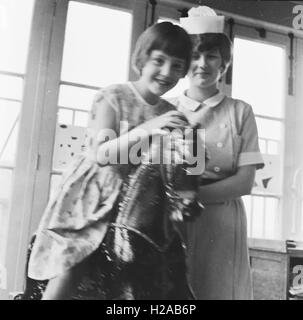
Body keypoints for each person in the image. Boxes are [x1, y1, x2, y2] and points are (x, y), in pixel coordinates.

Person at [21, 21, 198, 300]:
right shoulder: (114, 97)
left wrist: (187, 183)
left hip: (137, 203)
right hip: (94, 197)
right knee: (71, 262)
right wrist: (147, 129)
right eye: (159, 61)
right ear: (142, 59)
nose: (167, 72)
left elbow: (181, 164)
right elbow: (100, 154)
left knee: (165, 267)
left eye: (177, 66)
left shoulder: (171, 113)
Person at [169, 6, 264, 300]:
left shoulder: (240, 112)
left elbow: (244, 182)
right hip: (173, 220)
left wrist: (191, 197)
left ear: (224, 64)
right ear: (184, 62)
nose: (202, 64)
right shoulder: (166, 110)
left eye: (211, 56)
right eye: (195, 56)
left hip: (221, 220)